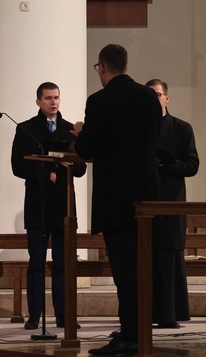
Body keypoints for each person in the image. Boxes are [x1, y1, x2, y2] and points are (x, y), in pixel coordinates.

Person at [71, 44, 161, 355]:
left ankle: (130, 337)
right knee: (141, 269)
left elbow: (85, 149)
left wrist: (80, 132)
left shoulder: (99, 101)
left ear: (102, 67)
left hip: (116, 199)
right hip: (148, 199)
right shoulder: (149, 97)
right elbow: (156, 139)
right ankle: (136, 331)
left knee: (124, 271)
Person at [11, 82, 87, 330]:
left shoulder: (69, 130)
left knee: (63, 263)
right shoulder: (26, 129)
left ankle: (63, 314)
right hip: (38, 204)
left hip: (64, 206)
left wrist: (72, 166)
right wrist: (47, 175)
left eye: (56, 98)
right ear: (38, 102)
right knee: (36, 263)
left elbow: (82, 166)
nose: (53, 102)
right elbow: (18, 166)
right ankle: (34, 314)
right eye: (48, 98)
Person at [146, 78, 199, 329]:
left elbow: (192, 165)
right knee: (146, 259)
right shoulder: (139, 129)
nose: (154, 99)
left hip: (172, 201)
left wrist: (167, 165)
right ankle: (146, 314)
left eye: (157, 95)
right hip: (145, 203)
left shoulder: (182, 128)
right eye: (149, 95)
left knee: (169, 259)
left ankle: (170, 314)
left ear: (167, 97)